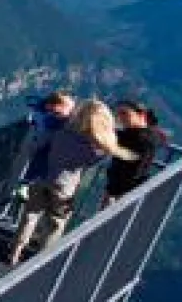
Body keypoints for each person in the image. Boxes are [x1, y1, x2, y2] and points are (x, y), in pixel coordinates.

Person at [9, 99, 135, 265]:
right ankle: (40, 261)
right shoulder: (92, 147)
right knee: (55, 223)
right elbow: (92, 161)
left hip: (43, 177)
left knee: (30, 215)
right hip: (64, 187)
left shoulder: (62, 131)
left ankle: (15, 252)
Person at [104, 99, 163, 205]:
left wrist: (113, 192)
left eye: (124, 113)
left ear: (142, 115)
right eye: (119, 114)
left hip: (126, 192)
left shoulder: (144, 138)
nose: (121, 118)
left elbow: (133, 169)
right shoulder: (134, 133)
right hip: (118, 188)